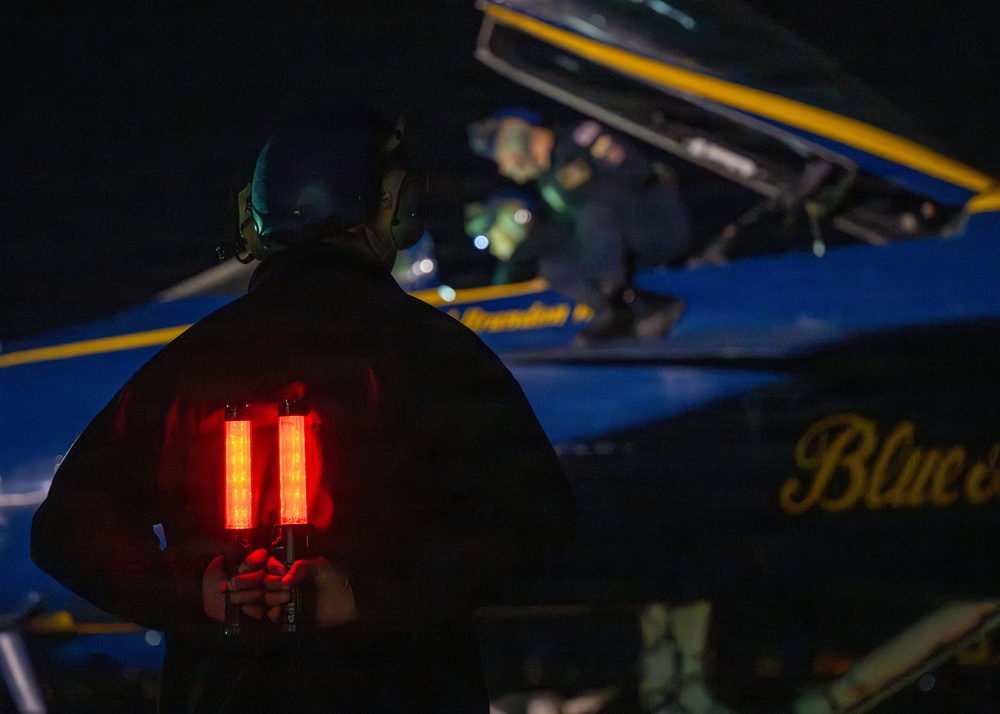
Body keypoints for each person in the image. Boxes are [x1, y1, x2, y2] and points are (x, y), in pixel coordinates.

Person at [31, 118, 578, 713]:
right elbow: (539, 529)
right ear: (394, 206)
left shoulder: (188, 365)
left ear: (253, 218)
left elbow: (66, 532)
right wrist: (365, 597)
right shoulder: (441, 356)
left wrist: (199, 593)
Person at [468, 108, 692, 344]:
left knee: (593, 211)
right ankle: (624, 311)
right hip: (623, 247)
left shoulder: (581, 139)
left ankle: (622, 295)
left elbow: (633, 173)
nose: (503, 167)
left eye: (499, 154)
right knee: (554, 264)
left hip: (658, 221)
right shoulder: (550, 179)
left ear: (514, 136)